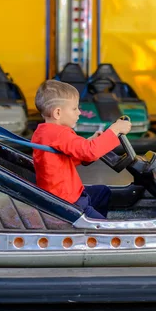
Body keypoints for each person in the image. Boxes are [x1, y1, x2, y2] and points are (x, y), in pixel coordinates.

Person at [31, 79, 132, 219]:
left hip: (65, 194)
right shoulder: (59, 133)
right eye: (74, 109)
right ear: (58, 113)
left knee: (103, 192)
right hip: (68, 202)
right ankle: (96, 228)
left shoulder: (44, 132)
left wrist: (91, 141)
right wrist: (115, 130)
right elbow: (90, 152)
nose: (79, 112)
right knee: (106, 228)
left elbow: (69, 156)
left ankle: (95, 220)